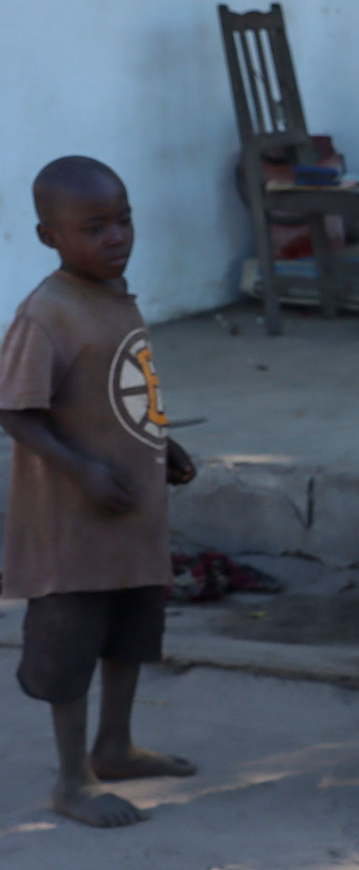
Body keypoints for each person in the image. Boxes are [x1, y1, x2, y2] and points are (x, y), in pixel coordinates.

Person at [0, 157, 199, 828]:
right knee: (72, 648)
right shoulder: (45, 313)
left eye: (124, 220)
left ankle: (115, 746)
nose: (116, 237)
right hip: (74, 528)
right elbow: (15, 411)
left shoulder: (114, 297)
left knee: (130, 633)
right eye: (94, 227)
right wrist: (82, 470)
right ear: (48, 236)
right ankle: (71, 779)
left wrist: (160, 443)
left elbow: (123, 394)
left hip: (130, 521)